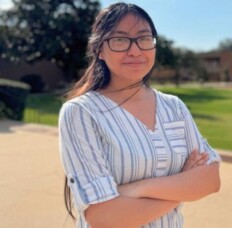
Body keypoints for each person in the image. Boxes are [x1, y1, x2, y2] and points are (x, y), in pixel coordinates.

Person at [58, 3, 221, 228]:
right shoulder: (82, 112)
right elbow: (103, 217)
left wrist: (138, 189)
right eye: (120, 40)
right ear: (99, 50)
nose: (135, 50)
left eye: (144, 38)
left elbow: (210, 180)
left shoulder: (174, 107)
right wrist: (184, 185)